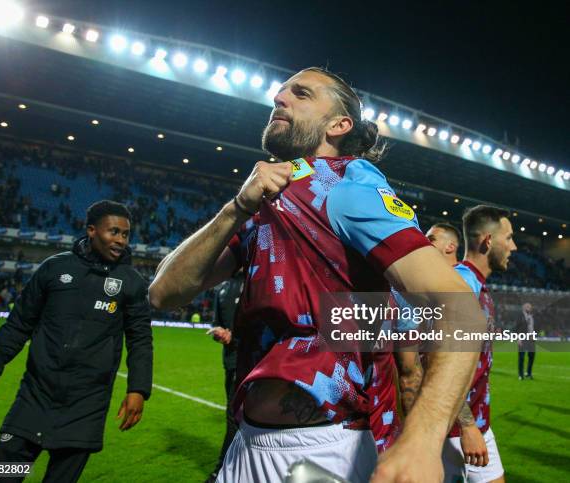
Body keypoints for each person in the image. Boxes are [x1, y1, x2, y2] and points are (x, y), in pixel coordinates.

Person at [149, 67, 485, 483]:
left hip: (323, 452)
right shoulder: (267, 197)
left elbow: (460, 311)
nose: (279, 98)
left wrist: (422, 439)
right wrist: (237, 207)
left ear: (339, 124)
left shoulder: (349, 186)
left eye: (301, 93)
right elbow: (163, 293)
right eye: (280, 92)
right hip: (247, 443)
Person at [0, 200, 153, 483]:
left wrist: (138, 389)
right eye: (113, 232)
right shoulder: (54, 268)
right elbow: (17, 326)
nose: (120, 240)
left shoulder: (131, 282)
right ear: (91, 230)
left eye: (125, 234)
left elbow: (140, 340)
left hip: (86, 405)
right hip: (35, 395)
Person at [442, 206, 516, 483]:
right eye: (508, 238)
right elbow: (439, 365)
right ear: (487, 241)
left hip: (477, 423)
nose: (514, 246)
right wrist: (468, 426)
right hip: (454, 430)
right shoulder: (461, 285)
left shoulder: (475, 284)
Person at [205, 270, 244, 483]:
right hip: (231, 362)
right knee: (234, 418)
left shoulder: (258, 281)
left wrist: (234, 337)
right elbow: (216, 324)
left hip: (253, 361)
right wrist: (219, 333)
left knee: (236, 419)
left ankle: (221, 471)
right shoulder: (222, 288)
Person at [517, 302, 536, 380]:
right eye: (528, 306)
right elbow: (517, 327)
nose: (529, 307)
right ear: (524, 308)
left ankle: (528, 373)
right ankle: (521, 375)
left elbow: (532, 327)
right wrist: (518, 338)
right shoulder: (520, 316)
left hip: (530, 338)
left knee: (532, 356)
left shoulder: (531, 317)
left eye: (530, 306)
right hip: (522, 338)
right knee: (521, 357)